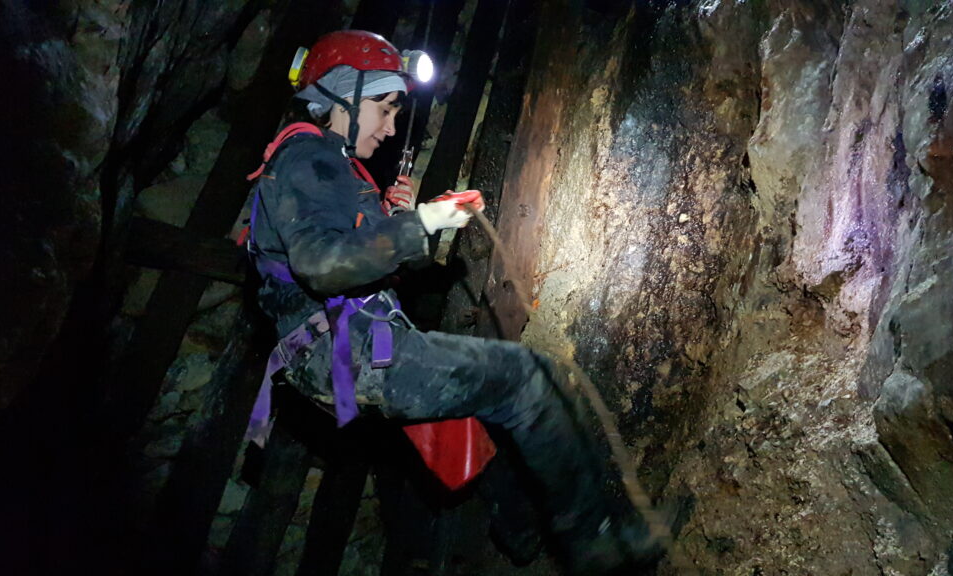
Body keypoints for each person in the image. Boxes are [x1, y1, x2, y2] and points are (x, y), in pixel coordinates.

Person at [244, 30, 663, 575]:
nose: (391, 126)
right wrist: (419, 224)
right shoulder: (307, 154)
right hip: (348, 354)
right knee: (529, 379)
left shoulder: (331, 168)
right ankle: (597, 542)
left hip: (355, 350)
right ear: (345, 94)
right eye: (383, 107)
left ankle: (522, 533)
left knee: (491, 409)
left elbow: (354, 259)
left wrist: (404, 224)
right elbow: (322, 266)